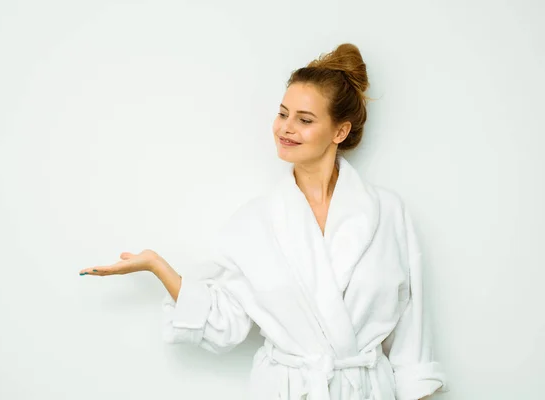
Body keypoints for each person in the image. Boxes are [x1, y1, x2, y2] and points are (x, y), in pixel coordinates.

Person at [79, 43, 448, 400]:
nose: (285, 128)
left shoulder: (387, 213)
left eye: (304, 120)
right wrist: (157, 266)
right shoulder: (254, 222)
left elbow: (412, 333)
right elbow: (223, 324)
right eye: (282, 113)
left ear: (340, 131)